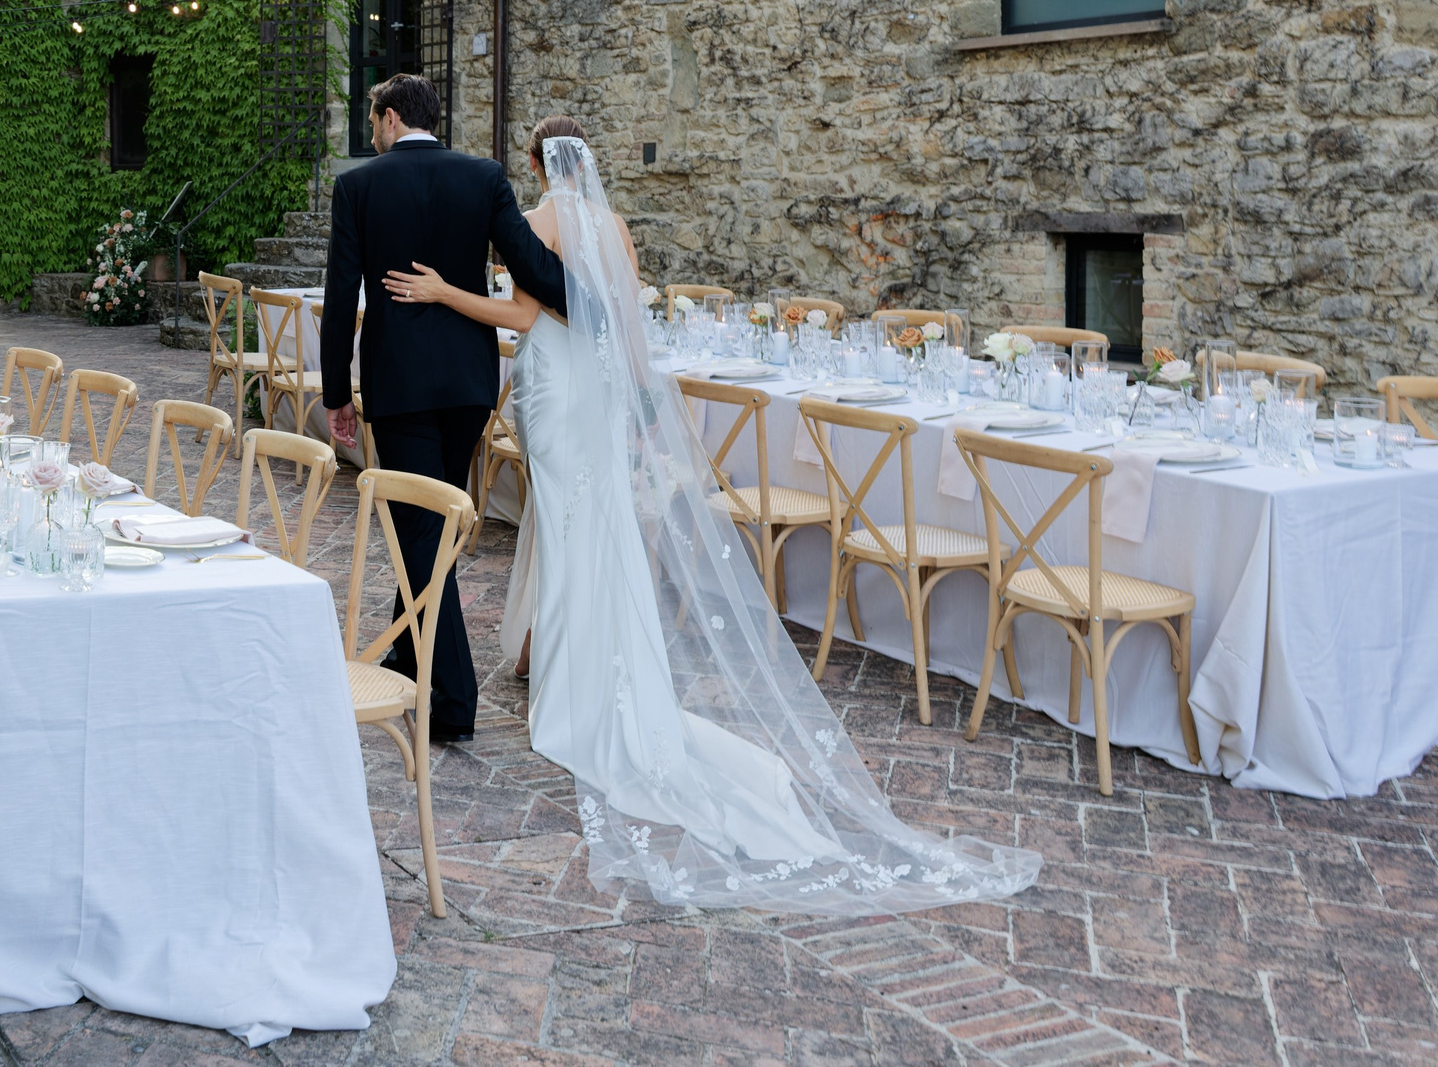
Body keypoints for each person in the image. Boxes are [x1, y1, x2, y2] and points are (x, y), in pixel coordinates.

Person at [379, 128, 1041, 912]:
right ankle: (569, 660)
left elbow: (526, 315)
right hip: (594, 389)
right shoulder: (615, 226)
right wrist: (640, 405)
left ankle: (570, 677)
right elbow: (625, 327)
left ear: (535, 165)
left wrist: (441, 294)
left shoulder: (537, 220)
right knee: (594, 526)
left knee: (562, 525)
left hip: (555, 386)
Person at [322, 74, 569, 743]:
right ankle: (408, 647)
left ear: (391, 117)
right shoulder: (482, 177)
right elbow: (532, 265)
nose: (372, 133)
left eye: (374, 120)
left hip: (401, 388)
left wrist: (336, 397)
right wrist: (590, 307)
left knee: (425, 535)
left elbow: (341, 298)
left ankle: (454, 702)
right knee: (432, 526)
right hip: (467, 386)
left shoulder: (359, 186)